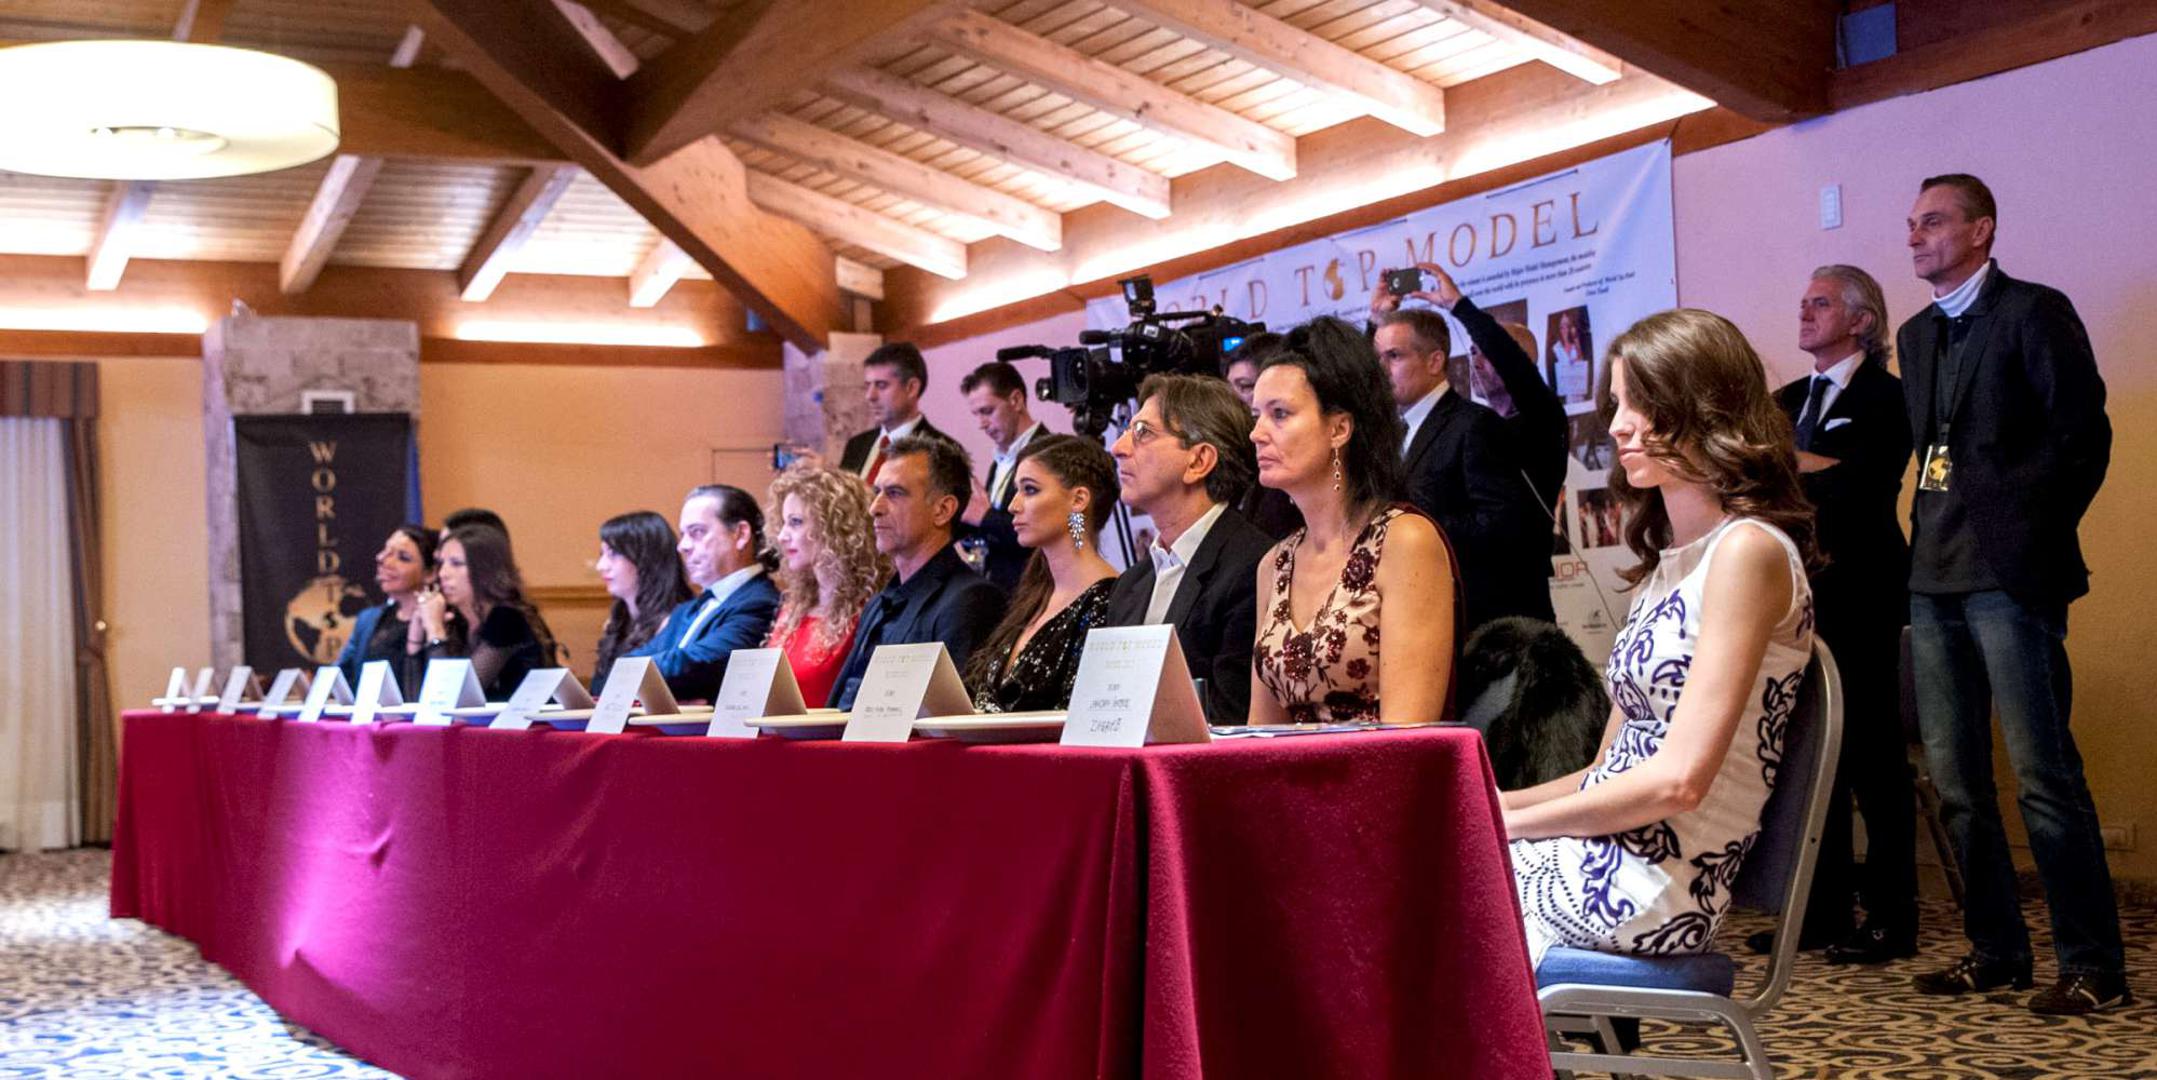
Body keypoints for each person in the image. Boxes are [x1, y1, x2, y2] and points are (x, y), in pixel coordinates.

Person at [1505, 309, 1818, 971]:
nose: (1618, 425)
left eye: (1639, 403)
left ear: (1705, 407)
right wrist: (1491, 805)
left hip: (1653, 883)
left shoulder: (1748, 551)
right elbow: (1605, 770)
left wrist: (1503, 823)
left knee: (1408, 887)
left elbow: (1678, 784)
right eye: (1617, 404)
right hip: (1611, 848)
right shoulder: (1669, 566)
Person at [1897, 174, 2124, 1014]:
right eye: (1910, 223)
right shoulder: (1914, 333)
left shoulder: (2032, 311)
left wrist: (2030, 533)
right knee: (1956, 783)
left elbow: (2084, 436)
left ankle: (2092, 965)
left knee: (2041, 778)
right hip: (1930, 579)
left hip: (2008, 578)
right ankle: (1995, 952)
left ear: (1980, 229)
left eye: (1932, 221)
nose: (1914, 235)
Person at [1763, 265, 1918, 964]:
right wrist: (1814, 465)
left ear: (1861, 320)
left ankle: (1890, 917)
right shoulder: (1785, 401)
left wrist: (1797, 467)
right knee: (1805, 756)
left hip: (1864, 592)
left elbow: (1864, 482)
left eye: (1820, 303)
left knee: (1871, 757)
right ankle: (1819, 912)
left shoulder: (1891, 396)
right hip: (1793, 597)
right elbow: (1761, 481)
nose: (1804, 312)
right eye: (1801, 302)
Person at [1247, 316, 1457, 726]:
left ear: (1339, 429)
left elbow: (1407, 736)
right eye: (1256, 414)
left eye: (1280, 414)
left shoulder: (1404, 540)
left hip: (1380, 765)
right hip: (1286, 768)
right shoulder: (1275, 563)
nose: (1256, 432)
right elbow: (1261, 734)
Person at [1105, 374, 1274, 723]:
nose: (1118, 447)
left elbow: (1231, 719)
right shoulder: (1130, 585)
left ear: (1198, 461)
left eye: (1142, 432)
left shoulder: (1255, 567)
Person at [1372, 304, 1554, 629]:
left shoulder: (1476, 425)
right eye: (1378, 358)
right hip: (1423, 618)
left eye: (1394, 356)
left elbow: (1502, 528)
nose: (1381, 369)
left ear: (1434, 361)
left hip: (1483, 626)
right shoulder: (1392, 434)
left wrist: (1408, 523)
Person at [1373, 262, 1567, 518]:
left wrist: (1458, 305)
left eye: (1486, 353)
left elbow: (1510, 359)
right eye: (1473, 352)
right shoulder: (1469, 422)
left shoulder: (1543, 419)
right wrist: (1376, 320)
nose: (1475, 362)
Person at [827, 435, 1007, 710]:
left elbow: (949, 719)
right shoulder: (878, 603)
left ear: (943, 510)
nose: (875, 508)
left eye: (895, 493)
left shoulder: (971, 601)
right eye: (877, 492)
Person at [963, 435, 1120, 712]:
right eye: (1017, 490)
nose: (1013, 505)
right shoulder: (1035, 594)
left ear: (1078, 499)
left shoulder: (1107, 601)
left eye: (1030, 490)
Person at [630, 485, 783, 702]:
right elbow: (627, 665)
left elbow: (692, 668)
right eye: (683, 535)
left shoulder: (761, 603)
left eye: (697, 532)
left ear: (740, 534)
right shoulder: (687, 610)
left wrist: (630, 673)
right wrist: (629, 671)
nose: (683, 546)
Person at [764, 464, 891, 710]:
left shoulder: (869, 611)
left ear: (835, 528)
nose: (782, 536)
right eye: (783, 523)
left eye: (796, 522)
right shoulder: (794, 608)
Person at [410, 524, 561, 699]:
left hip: (523, 717)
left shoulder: (507, 618)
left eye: (456, 563)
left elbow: (455, 698)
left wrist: (435, 631)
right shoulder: (455, 619)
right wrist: (415, 636)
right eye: (441, 564)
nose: (443, 573)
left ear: (485, 569)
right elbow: (416, 699)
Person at [957, 360, 1045, 592]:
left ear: (1016, 400)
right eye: (976, 414)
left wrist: (985, 518)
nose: (982, 424)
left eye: (987, 411)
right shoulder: (1001, 459)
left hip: (1034, 591)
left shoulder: (1048, 452)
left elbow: (1047, 531)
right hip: (999, 590)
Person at [589, 511, 694, 695]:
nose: (601, 566)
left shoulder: (682, 622)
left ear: (646, 559)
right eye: (602, 554)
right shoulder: (617, 623)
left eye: (613, 554)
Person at [335, 524, 437, 690]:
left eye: (403, 557)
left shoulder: (442, 621)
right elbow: (340, 677)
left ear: (430, 573)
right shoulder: (368, 619)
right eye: (386, 552)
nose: (384, 560)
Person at [838, 343, 951, 481]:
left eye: (881, 385)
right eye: (867, 386)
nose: (870, 396)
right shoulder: (856, 445)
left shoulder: (942, 452)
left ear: (912, 388)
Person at [1549, 309, 1593, 403]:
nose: (1565, 329)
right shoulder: (1556, 348)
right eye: (1562, 326)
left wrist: (1576, 340)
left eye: (1567, 325)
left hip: (1579, 390)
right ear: (1558, 328)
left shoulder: (1575, 345)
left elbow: (1582, 363)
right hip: (1565, 395)